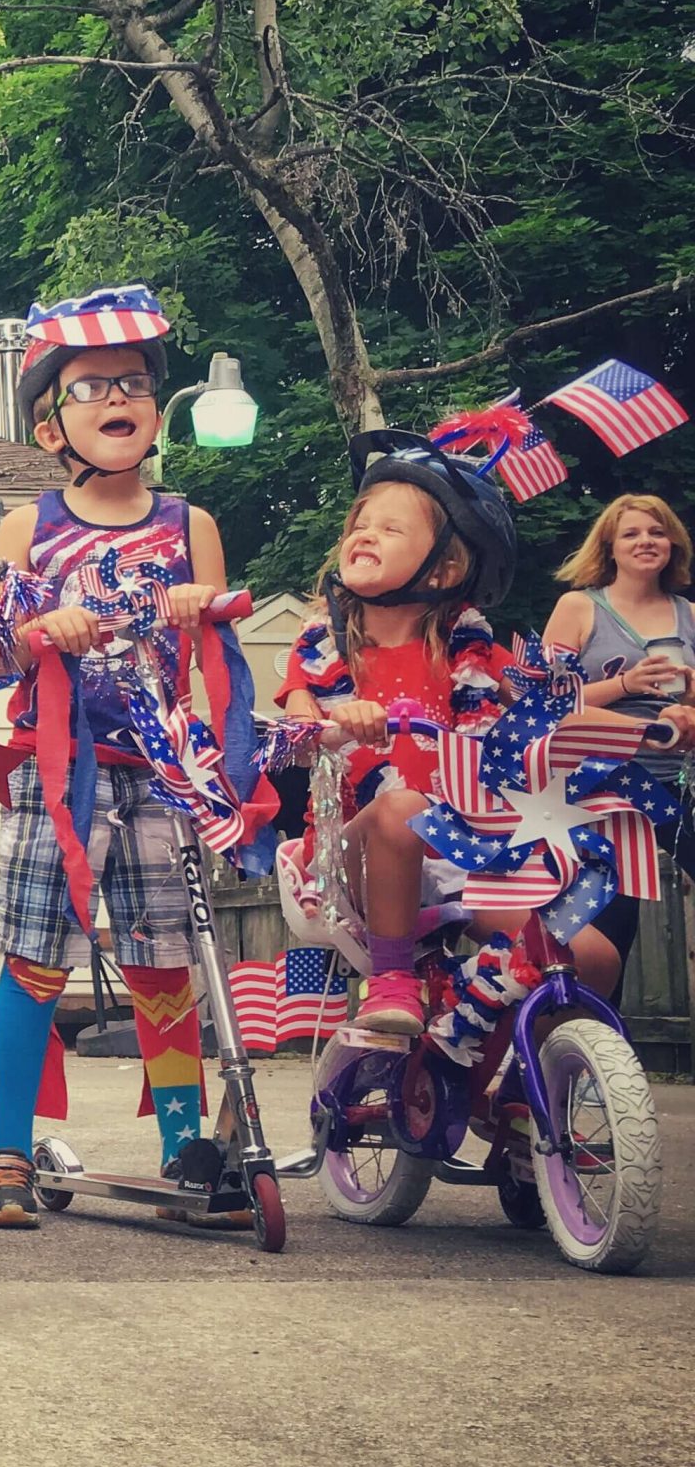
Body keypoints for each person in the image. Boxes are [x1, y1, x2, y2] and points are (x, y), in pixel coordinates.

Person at [0, 286, 240, 1231]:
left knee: (166, 960)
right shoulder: (28, 526)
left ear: (155, 408)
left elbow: (211, 657)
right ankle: (5, 1149)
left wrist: (199, 612)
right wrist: (41, 625)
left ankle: (184, 1147)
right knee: (35, 953)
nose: (116, 396)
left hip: (158, 766)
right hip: (59, 767)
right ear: (53, 426)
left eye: (132, 383)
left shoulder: (187, 520)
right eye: (91, 387)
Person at [274, 431, 523, 1033]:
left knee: (582, 952)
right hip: (346, 857)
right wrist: (335, 722)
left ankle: (517, 1077)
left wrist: (628, 722)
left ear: (443, 570)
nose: (365, 534)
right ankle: (390, 978)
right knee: (401, 808)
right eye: (361, 523)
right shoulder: (320, 649)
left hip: (461, 850)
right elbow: (293, 732)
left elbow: (540, 713)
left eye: (390, 529)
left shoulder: (474, 650)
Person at [543, 494, 695, 992]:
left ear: (673, 543)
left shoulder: (689, 614)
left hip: (682, 778)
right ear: (609, 547)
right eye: (631, 534)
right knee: (611, 922)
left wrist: (686, 708)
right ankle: (595, 1043)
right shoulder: (579, 606)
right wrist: (627, 685)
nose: (646, 542)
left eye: (657, 531)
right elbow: (545, 705)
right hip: (605, 781)